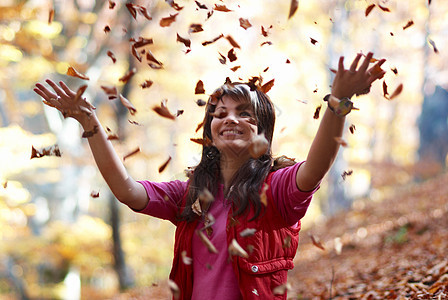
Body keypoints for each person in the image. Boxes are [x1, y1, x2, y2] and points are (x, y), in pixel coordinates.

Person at [34, 52, 386, 299]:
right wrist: (90, 122)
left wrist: (338, 101)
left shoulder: (274, 188)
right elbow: (126, 190)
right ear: (210, 130)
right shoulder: (191, 195)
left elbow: (313, 169)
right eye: (220, 113)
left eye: (244, 113)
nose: (229, 118)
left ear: (263, 132)